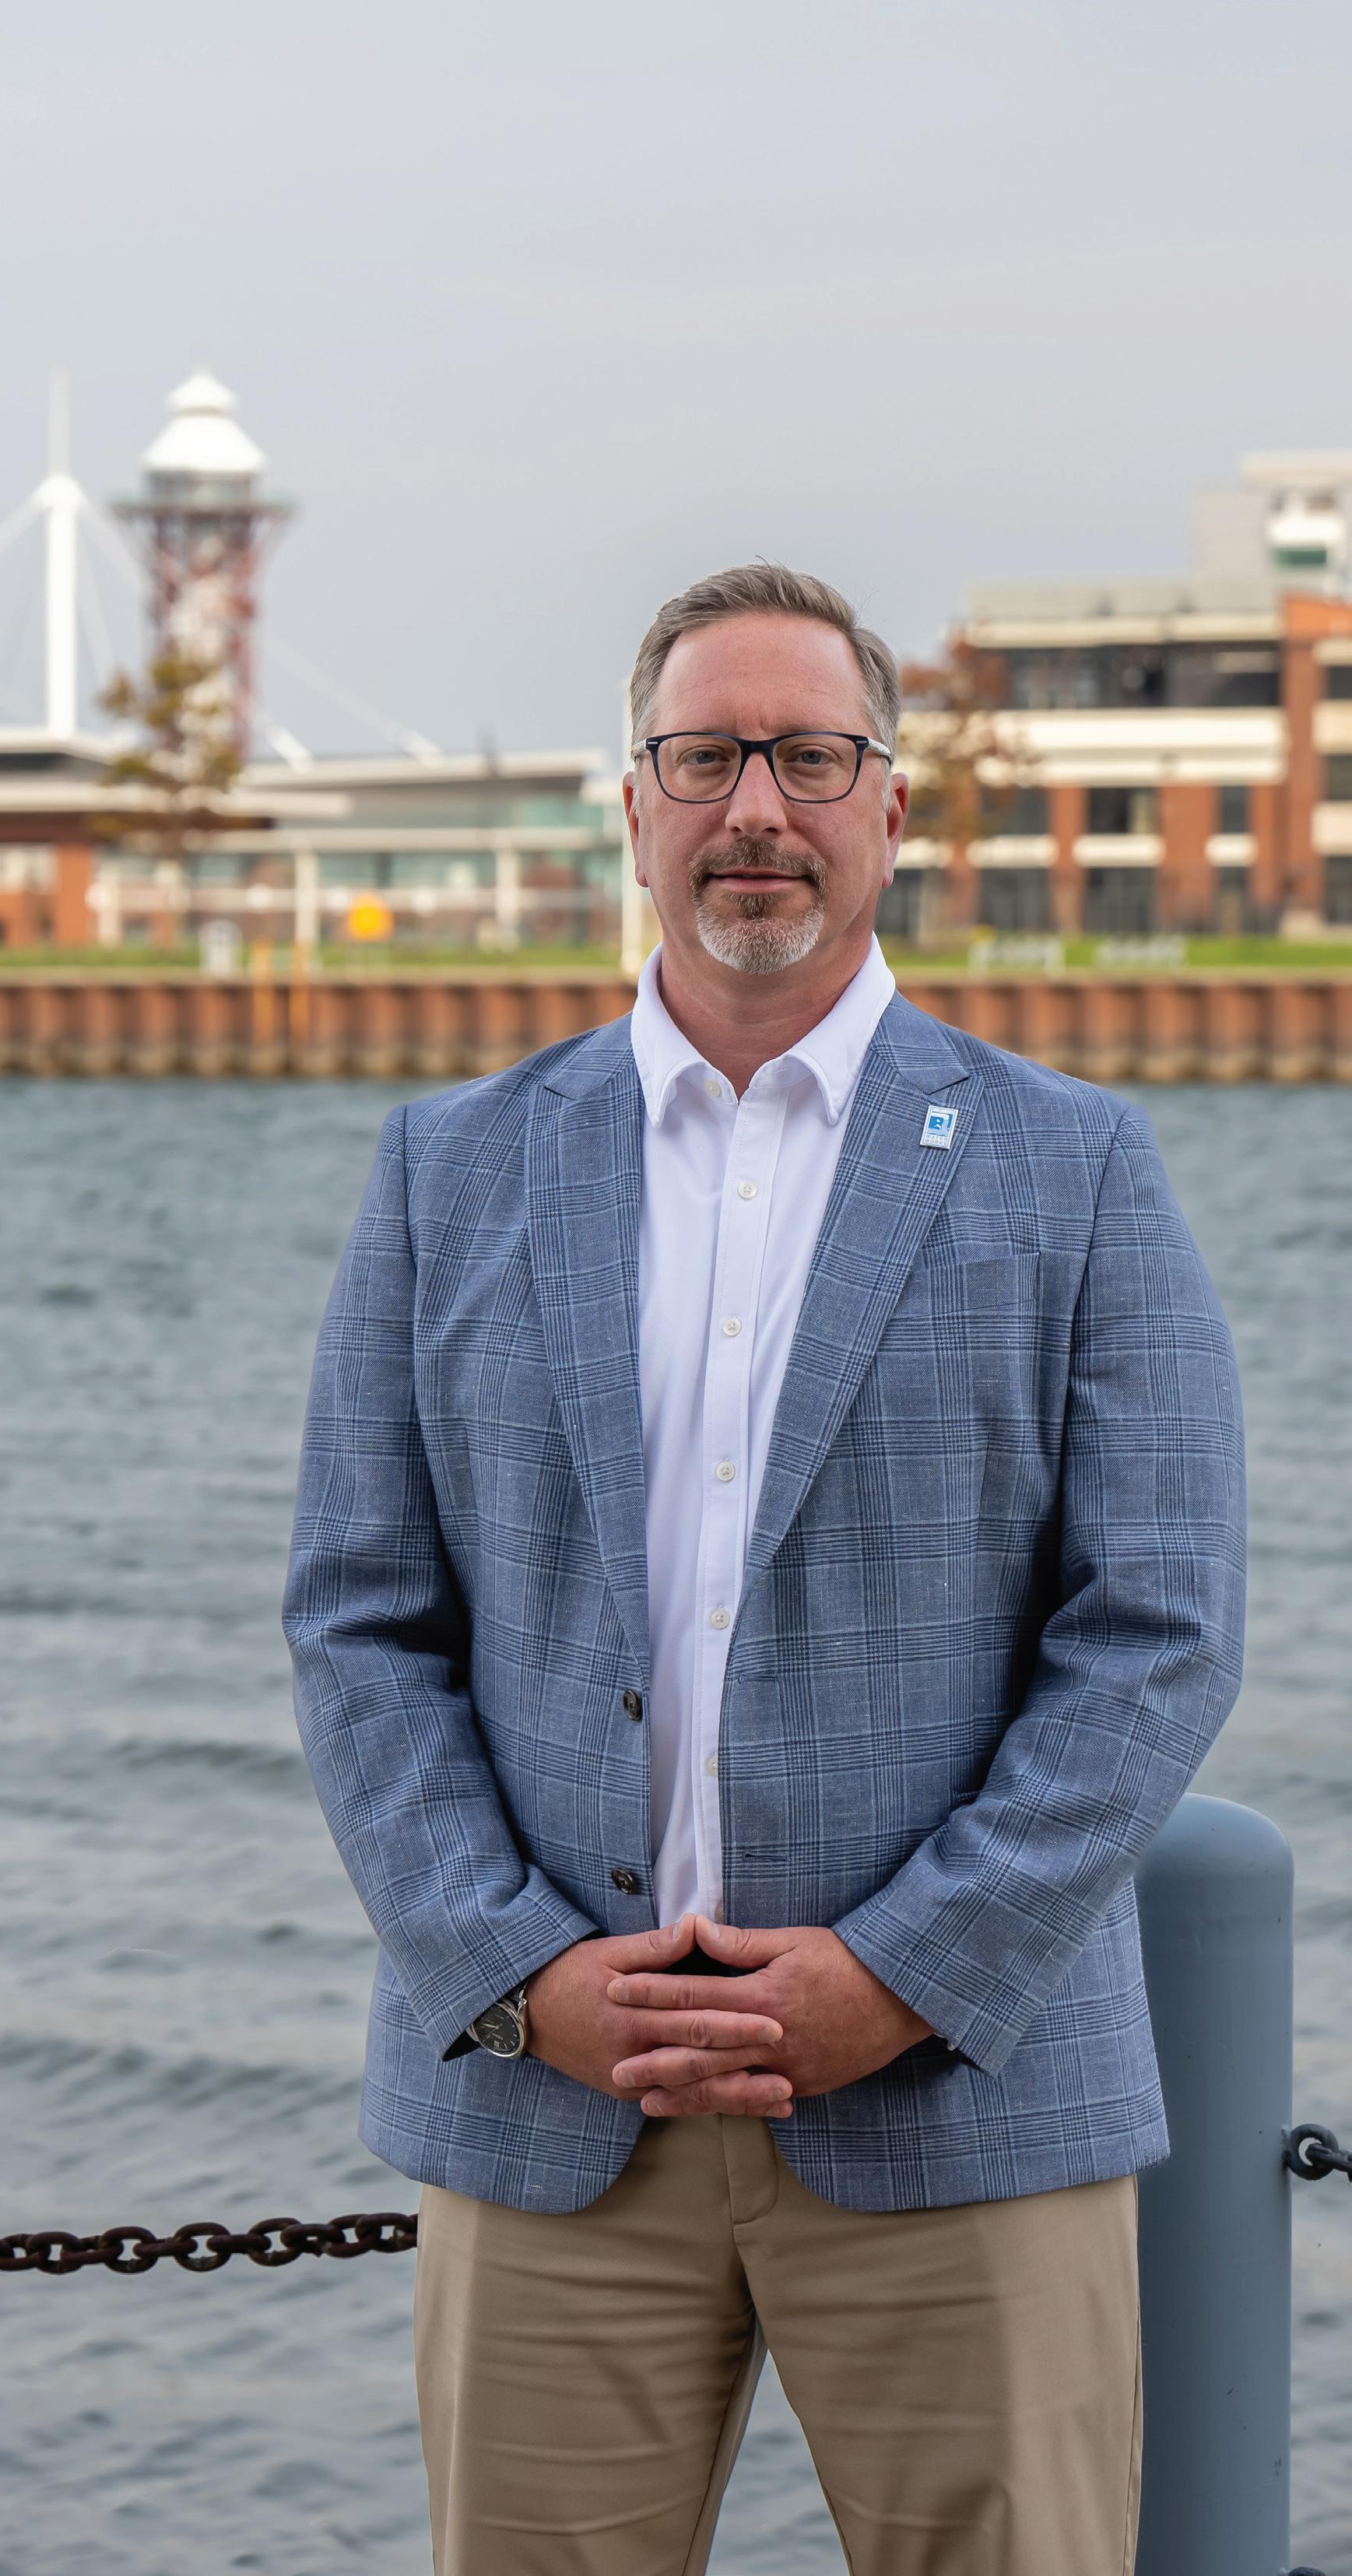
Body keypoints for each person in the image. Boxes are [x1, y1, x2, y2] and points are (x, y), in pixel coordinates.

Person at [283, 563, 1247, 2576]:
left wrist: (903, 1977)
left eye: (811, 758)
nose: (756, 809)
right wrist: (513, 1975)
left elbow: (1160, 1630)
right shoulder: (451, 1170)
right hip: (552, 2111)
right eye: (707, 756)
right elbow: (362, 1623)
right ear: (631, 804)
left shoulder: (1077, 1168)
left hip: (961, 2107)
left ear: (889, 807)